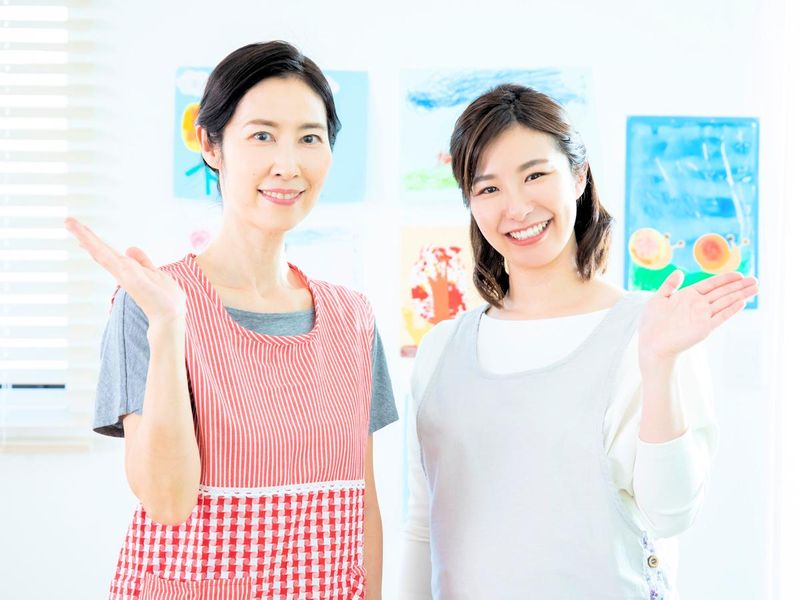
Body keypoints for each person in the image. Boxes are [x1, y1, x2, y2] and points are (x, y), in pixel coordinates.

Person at [66, 41, 396, 600]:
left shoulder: (353, 319)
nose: (287, 165)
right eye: (262, 135)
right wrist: (168, 325)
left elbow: (361, 503)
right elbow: (166, 501)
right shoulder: (150, 303)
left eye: (309, 138)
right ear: (210, 145)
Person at [399, 84, 758, 599]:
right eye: (489, 188)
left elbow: (670, 513)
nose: (517, 207)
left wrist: (658, 362)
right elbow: (421, 526)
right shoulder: (440, 348)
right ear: (470, 204)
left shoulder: (652, 329)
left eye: (535, 175)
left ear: (579, 176)